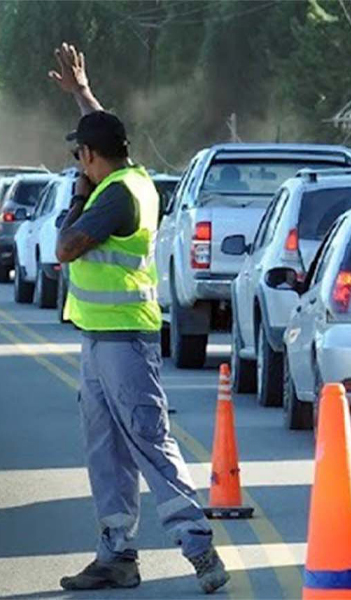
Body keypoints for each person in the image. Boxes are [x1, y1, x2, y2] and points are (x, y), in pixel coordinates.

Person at [48, 43, 230, 594]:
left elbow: (64, 247)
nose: (77, 162)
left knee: (149, 442)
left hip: (124, 342)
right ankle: (116, 555)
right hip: (100, 339)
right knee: (105, 450)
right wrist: (83, 94)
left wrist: (77, 196)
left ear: (89, 157)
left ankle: (199, 550)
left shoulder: (112, 197)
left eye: (79, 155)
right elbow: (103, 128)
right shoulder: (129, 177)